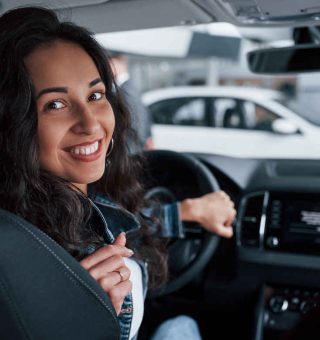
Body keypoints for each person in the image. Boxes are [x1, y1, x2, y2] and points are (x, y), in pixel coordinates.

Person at [0, 6, 236, 340]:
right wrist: (82, 318)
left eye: (95, 95)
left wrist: (189, 211)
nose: (91, 123)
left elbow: (128, 228)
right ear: (10, 125)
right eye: (55, 104)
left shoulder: (84, 202)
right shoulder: (18, 253)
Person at [109, 52, 154, 151]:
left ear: (118, 64)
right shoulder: (126, 86)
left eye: (110, 64)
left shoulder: (127, 88)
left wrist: (131, 147)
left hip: (130, 147)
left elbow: (136, 121)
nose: (107, 69)